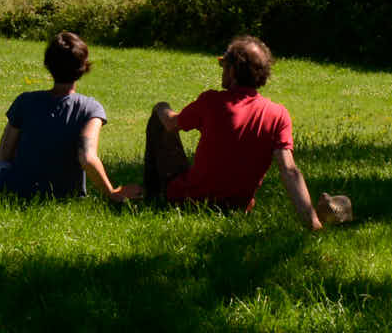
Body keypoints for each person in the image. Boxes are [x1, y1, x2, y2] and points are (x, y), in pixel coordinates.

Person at [140, 35, 352, 228]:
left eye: (224, 67)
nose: (222, 72)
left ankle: (151, 196)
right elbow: (289, 171)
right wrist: (312, 222)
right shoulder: (278, 115)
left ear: (232, 71)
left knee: (159, 120)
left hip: (187, 199)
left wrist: (161, 106)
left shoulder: (212, 101)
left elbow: (170, 123)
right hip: (236, 208)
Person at [0, 31, 129, 200]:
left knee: (3, 169)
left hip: (15, 192)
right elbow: (87, 158)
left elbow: (5, 153)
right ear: (83, 67)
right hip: (65, 195)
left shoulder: (24, 101)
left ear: (48, 65)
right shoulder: (90, 108)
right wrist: (111, 192)